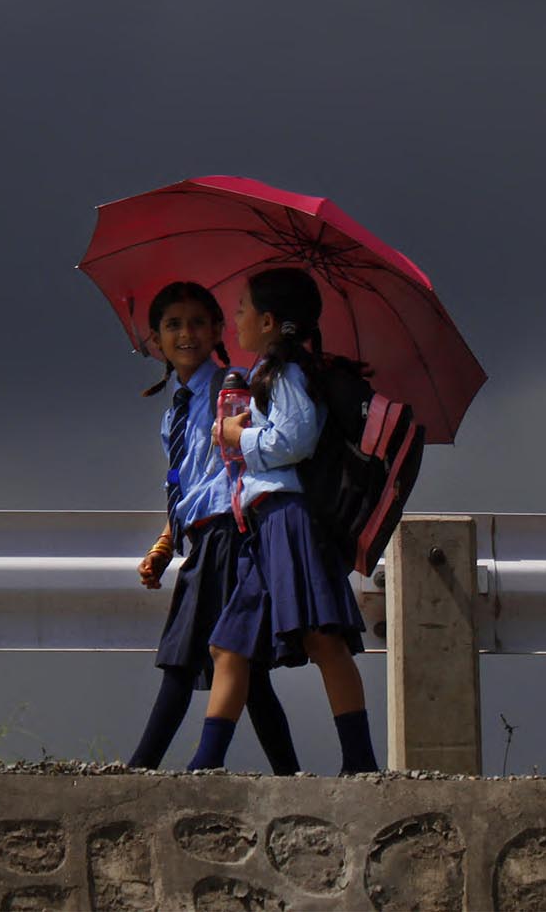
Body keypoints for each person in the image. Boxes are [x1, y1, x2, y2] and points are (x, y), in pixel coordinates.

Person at [186, 266, 379, 774]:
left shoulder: (287, 373)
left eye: (243, 309)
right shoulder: (269, 375)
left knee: (322, 638)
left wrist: (235, 437)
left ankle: (360, 763)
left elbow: (294, 443)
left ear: (269, 321)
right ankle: (204, 765)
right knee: (229, 644)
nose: (236, 317)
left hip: (288, 521)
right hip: (265, 525)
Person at [125, 281, 300, 774]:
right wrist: (165, 543)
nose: (187, 333)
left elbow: (246, 459)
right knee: (245, 667)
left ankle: (142, 766)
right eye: (173, 325)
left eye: (198, 322)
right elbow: (188, 485)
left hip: (230, 532)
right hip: (203, 536)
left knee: (184, 653)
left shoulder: (233, 386)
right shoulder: (173, 415)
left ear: (218, 329)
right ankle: (290, 775)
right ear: (155, 340)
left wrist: (242, 421)